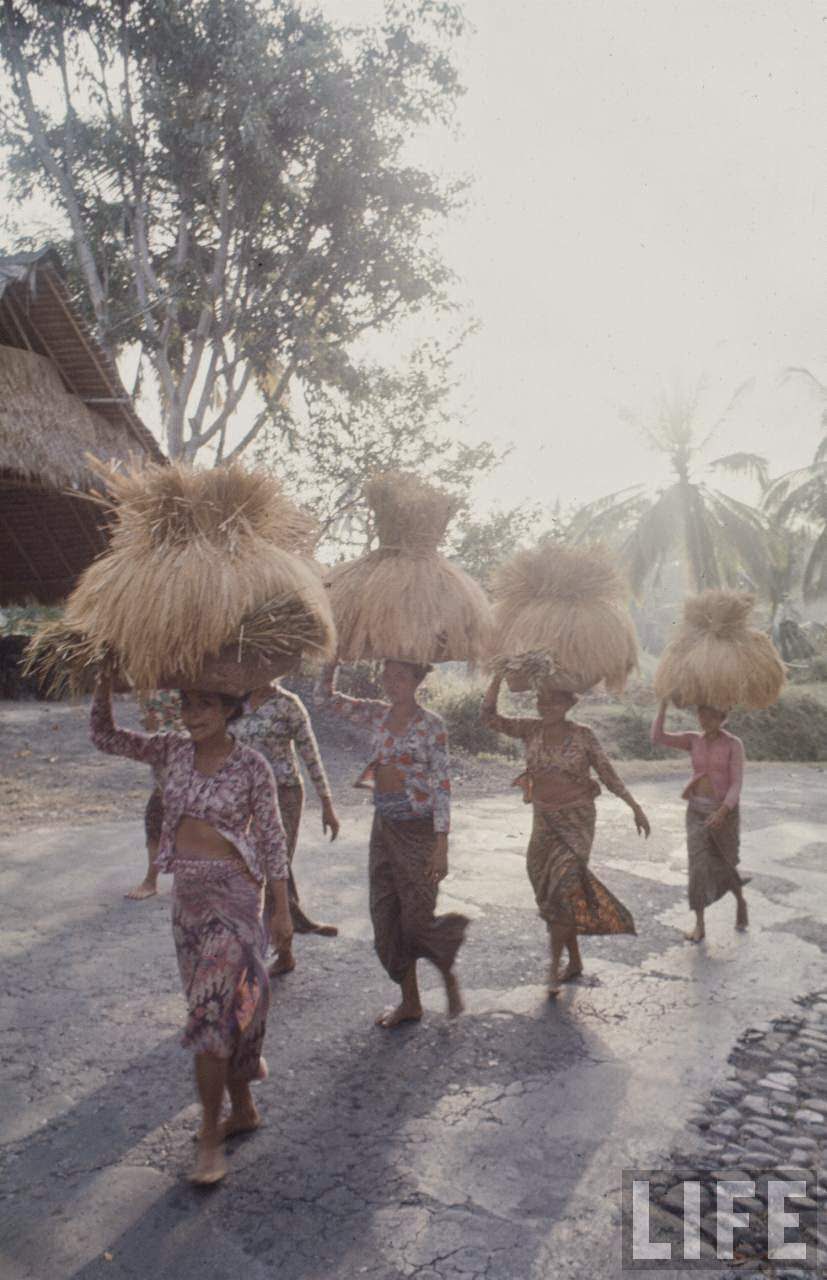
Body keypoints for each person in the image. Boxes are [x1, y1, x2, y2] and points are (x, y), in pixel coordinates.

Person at [91, 672, 292, 1186]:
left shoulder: (253, 766)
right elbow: (105, 737)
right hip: (188, 903)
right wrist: (102, 683)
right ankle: (243, 1107)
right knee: (222, 1013)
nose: (193, 714)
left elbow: (271, 838)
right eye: (187, 703)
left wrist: (282, 910)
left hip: (237, 897)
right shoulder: (171, 753)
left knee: (209, 1016)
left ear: (230, 709)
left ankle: (208, 1138)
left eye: (206, 704)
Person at [315, 659, 468, 1029]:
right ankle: (410, 1002)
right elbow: (324, 699)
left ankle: (444, 957)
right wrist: (334, 659)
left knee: (416, 920)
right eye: (387, 676)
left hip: (419, 830)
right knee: (385, 917)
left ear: (418, 680)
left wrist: (441, 843)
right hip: (384, 827)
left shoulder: (432, 726)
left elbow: (443, 783)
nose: (391, 683)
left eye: (401, 677)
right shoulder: (376, 715)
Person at [481, 673, 650, 996]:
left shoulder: (583, 735)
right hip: (543, 820)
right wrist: (497, 678)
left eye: (554, 701)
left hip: (577, 820)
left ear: (568, 704)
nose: (547, 707)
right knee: (550, 891)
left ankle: (553, 969)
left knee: (561, 888)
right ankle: (574, 960)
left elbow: (607, 772)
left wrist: (634, 805)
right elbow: (489, 718)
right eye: (542, 701)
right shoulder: (531, 729)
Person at [236, 680, 341, 977]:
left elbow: (311, 754)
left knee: (275, 866)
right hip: (245, 797)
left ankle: (283, 952)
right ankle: (291, 926)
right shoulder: (235, 699)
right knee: (254, 868)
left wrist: (327, 804)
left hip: (285, 794)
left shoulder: (288, 704)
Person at [651, 699, 748, 942]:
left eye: (711, 716)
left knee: (725, 864)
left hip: (724, 813)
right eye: (702, 715)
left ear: (722, 717)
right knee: (698, 868)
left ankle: (740, 901)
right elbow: (658, 736)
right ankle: (700, 925)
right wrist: (662, 706)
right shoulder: (693, 740)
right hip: (696, 811)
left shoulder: (733, 744)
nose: (705, 721)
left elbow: (736, 783)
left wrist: (723, 811)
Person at [126, 689, 183, 901]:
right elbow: (149, 725)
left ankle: (187, 881)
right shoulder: (153, 689)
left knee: (192, 824)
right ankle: (151, 880)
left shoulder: (197, 684)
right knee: (155, 819)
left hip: (190, 765)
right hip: (163, 772)